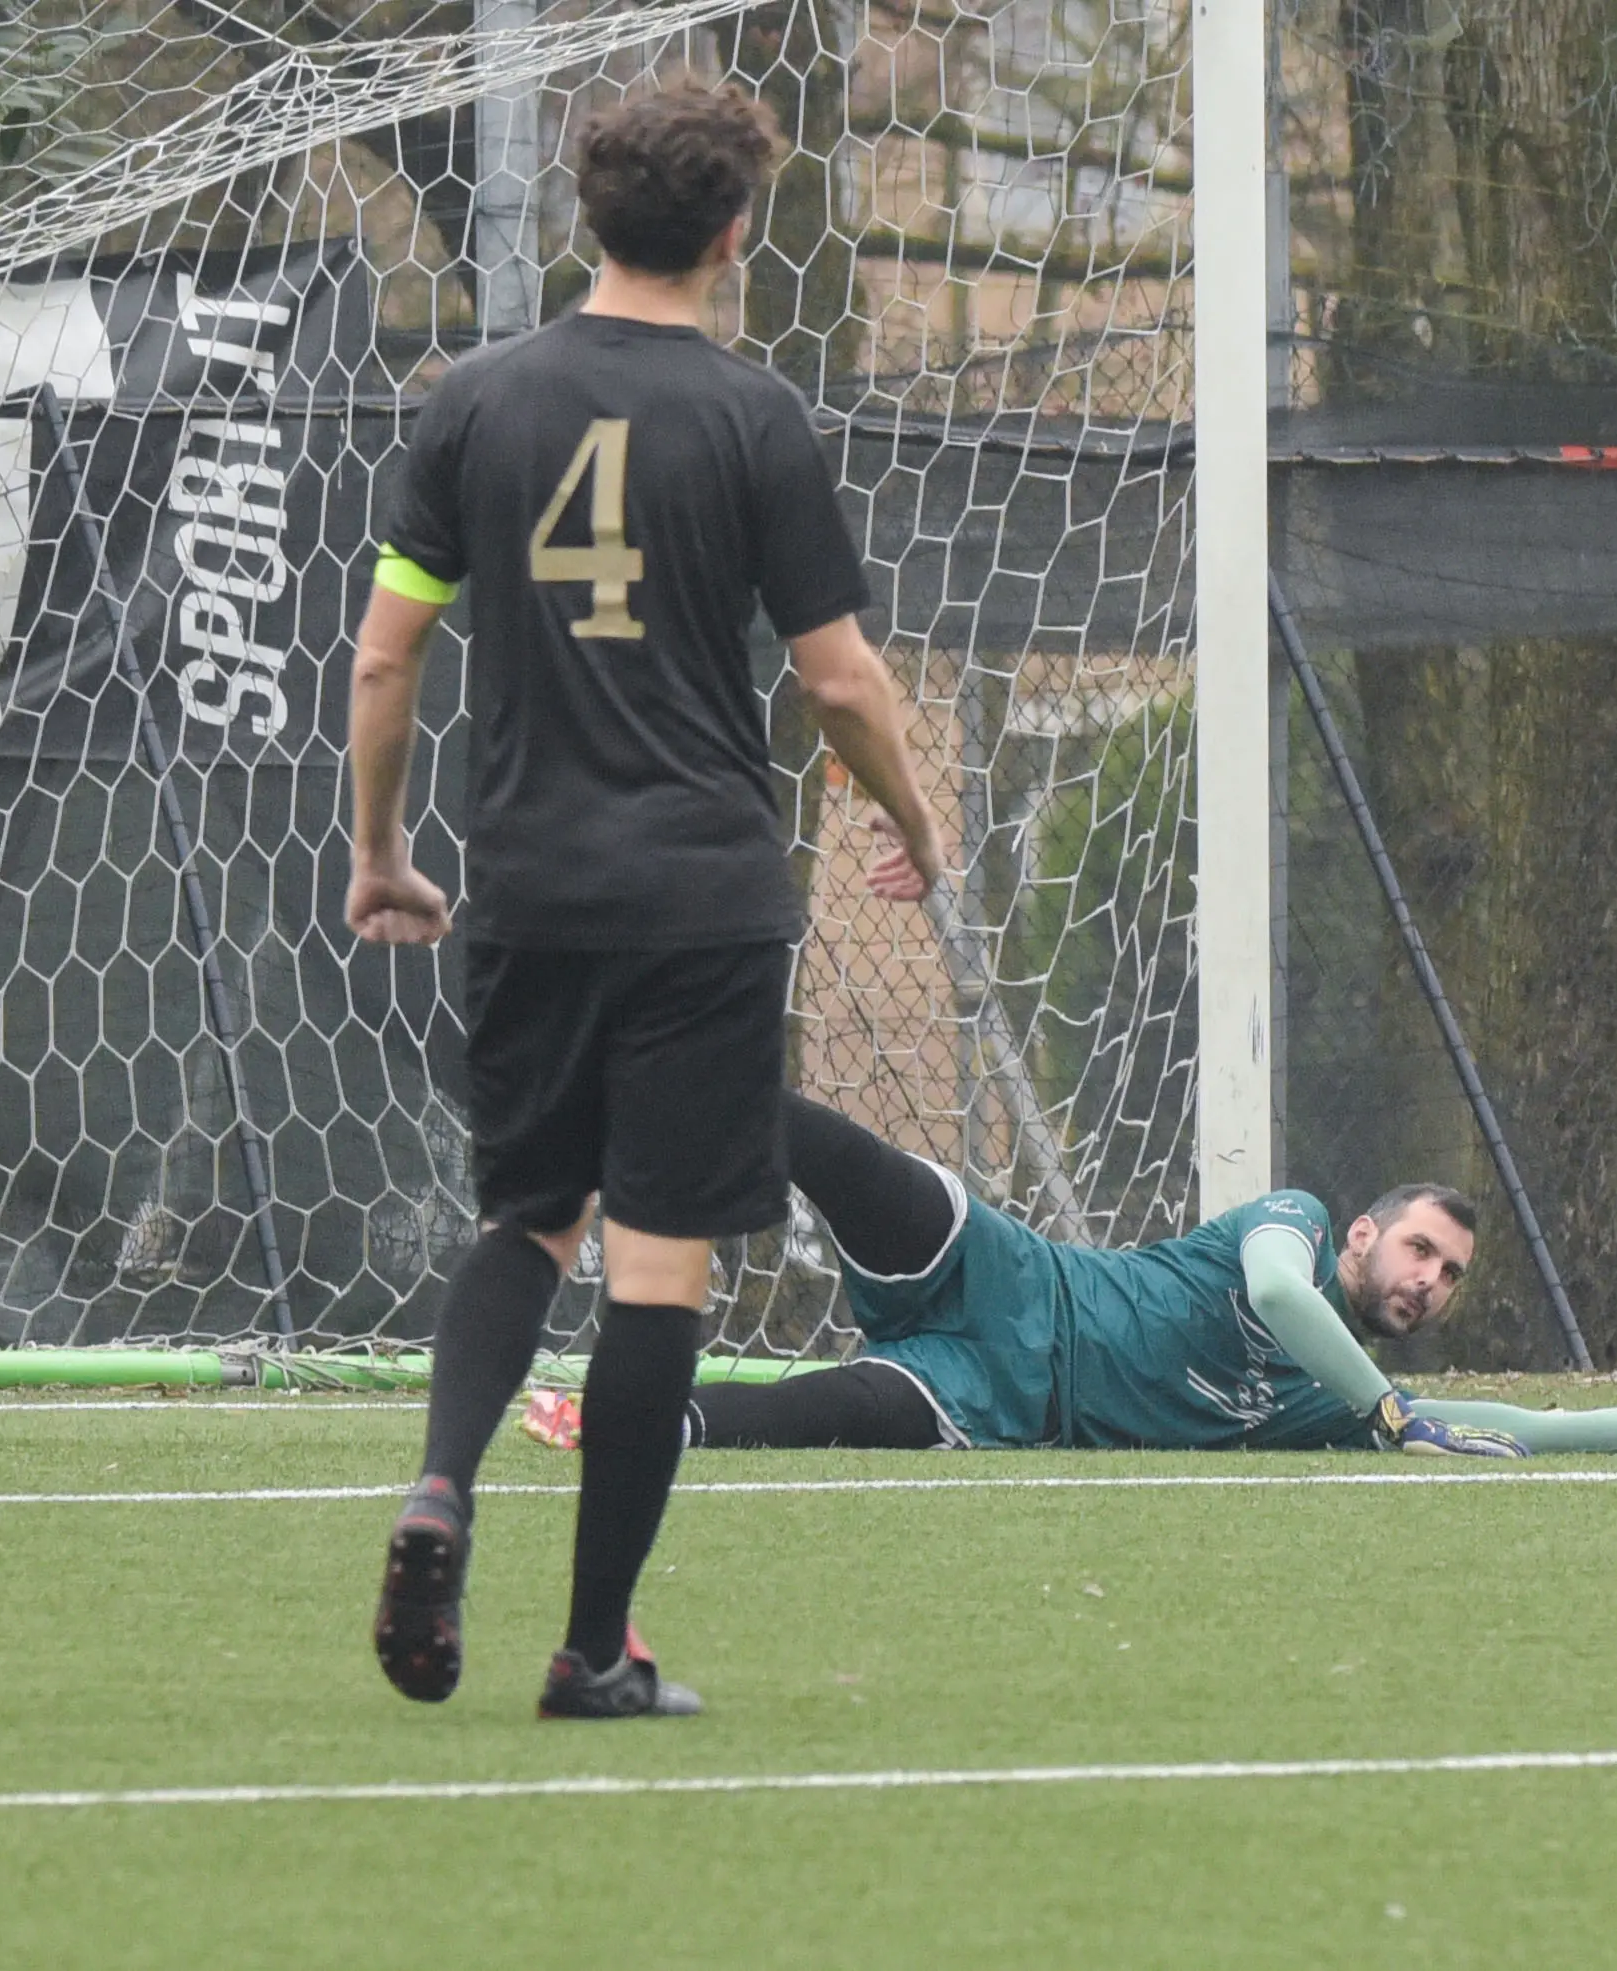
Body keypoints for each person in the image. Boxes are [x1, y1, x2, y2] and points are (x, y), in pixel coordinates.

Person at [345, 81, 946, 1719]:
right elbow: (839, 680)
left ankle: (441, 1485)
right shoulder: (755, 420)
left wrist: (382, 852)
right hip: (699, 900)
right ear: (738, 231)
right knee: (657, 1262)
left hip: (528, 890)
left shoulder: (473, 403)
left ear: (586, 222)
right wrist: (912, 815)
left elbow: (388, 651)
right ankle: (593, 1648)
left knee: (525, 1221)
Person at [521, 1095, 1617, 1456]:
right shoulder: (1297, 1224)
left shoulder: (1346, 1410)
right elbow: (1272, 1291)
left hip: (989, 1396)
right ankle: (627, 1103)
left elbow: (1519, 1427)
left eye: (1451, 1272)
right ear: (1366, 1235)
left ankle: (633, 1413)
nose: (1432, 1278)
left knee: (812, 1416)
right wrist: (1388, 1407)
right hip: (1010, 1274)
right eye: (1421, 1246)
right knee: (830, 1144)